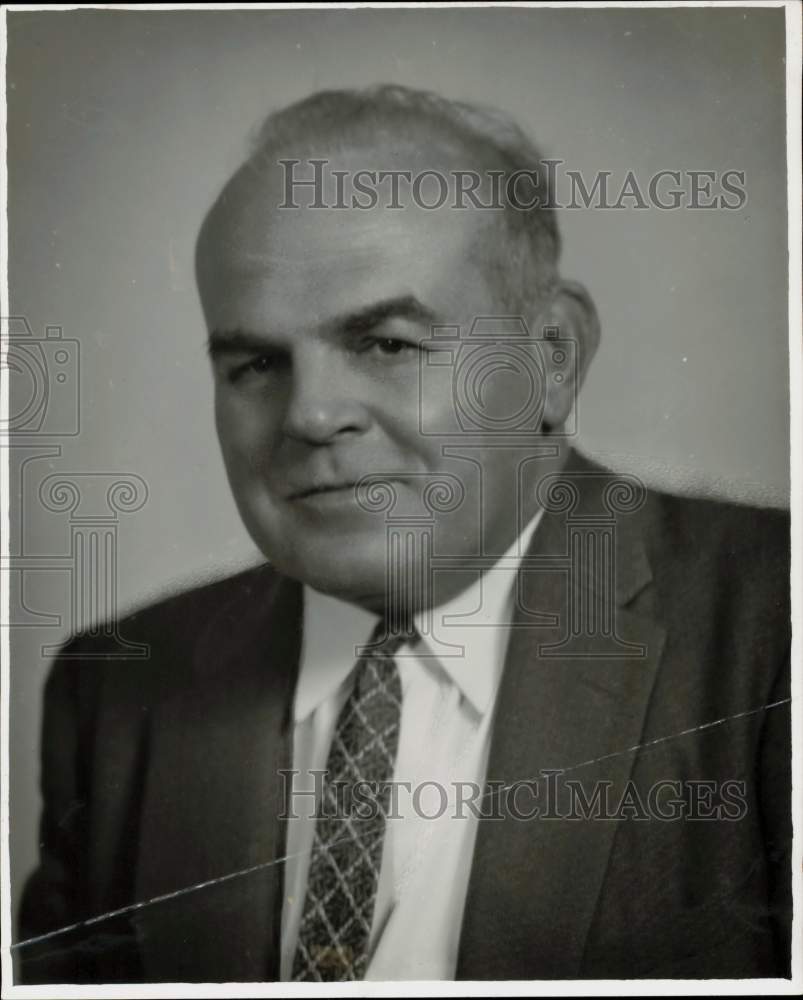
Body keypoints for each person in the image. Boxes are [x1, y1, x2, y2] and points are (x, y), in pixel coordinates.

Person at [16, 85, 791, 983]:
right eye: (256, 364)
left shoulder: (773, 630)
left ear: (550, 358)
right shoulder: (117, 693)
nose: (308, 414)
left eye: (386, 344)